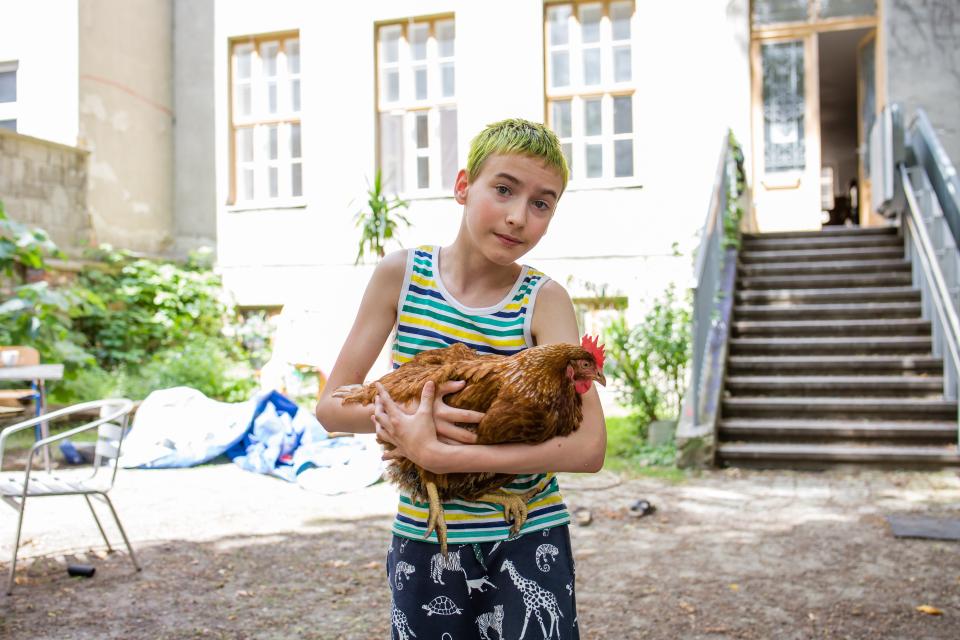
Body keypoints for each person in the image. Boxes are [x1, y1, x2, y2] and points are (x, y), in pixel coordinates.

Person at [315, 118, 606, 639]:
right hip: (429, 535)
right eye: (504, 190)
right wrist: (411, 420)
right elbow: (331, 406)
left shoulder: (544, 300)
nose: (518, 216)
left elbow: (588, 447)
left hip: (528, 531)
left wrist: (449, 455)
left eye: (542, 203)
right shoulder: (401, 276)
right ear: (463, 186)